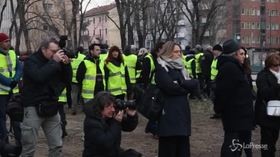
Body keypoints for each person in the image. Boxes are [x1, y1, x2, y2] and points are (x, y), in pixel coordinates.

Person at [21, 38, 72, 157]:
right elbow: (39, 77)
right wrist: (54, 62)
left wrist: (66, 65)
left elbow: (67, 80)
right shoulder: (31, 61)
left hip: (51, 106)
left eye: (57, 51)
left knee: (57, 145)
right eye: (53, 51)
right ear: (43, 49)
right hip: (33, 106)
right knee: (29, 146)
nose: (56, 54)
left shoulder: (55, 61)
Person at [155, 41, 198, 157]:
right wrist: (185, 87)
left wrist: (182, 83)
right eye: (175, 51)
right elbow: (169, 87)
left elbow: (194, 84)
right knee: (169, 150)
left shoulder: (181, 68)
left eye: (180, 51)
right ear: (168, 52)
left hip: (182, 114)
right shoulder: (161, 67)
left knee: (183, 150)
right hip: (169, 114)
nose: (179, 54)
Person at [214, 39, 254, 157]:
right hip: (234, 115)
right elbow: (223, 92)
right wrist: (219, 109)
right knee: (232, 145)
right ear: (234, 54)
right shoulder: (229, 68)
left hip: (240, 115)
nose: (244, 57)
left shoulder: (235, 67)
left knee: (237, 146)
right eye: (240, 54)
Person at [82, 91, 140, 157]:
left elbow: (129, 127)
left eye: (113, 106)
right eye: (109, 107)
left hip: (113, 152)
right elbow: (106, 143)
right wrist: (116, 122)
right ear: (100, 108)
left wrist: (131, 116)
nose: (112, 109)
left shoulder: (109, 116)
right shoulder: (91, 122)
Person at [255, 53, 280, 157]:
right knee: (267, 143)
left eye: (279, 65)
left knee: (274, 139)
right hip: (267, 114)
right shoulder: (263, 75)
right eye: (275, 65)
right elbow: (264, 93)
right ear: (269, 65)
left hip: (278, 114)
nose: (278, 67)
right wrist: (278, 85)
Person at [0, 33, 22, 148]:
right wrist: (9, 82)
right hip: (1, 93)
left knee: (17, 117)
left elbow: (19, 67)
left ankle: (19, 141)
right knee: (1, 118)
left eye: (9, 41)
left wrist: (16, 79)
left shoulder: (13, 53)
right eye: (5, 41)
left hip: (14, 92)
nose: (8, 43)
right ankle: (4, 142)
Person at [70, 46, 86, 115]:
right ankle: (84, 108)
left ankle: (73, 109)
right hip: (82, 79)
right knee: (83, 94)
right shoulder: (84, 57)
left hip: (73, 79)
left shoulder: (73, 56)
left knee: (74, 95)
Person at [209, 44, 223, 119]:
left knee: (216, 97)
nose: (213, 52)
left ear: (218, 51)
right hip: (213, 80)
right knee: (213, 97)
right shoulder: (215, 58)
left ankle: (219, 112)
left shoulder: (220, 59)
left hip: (217, 81)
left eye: (214, 50)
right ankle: (217, 112)